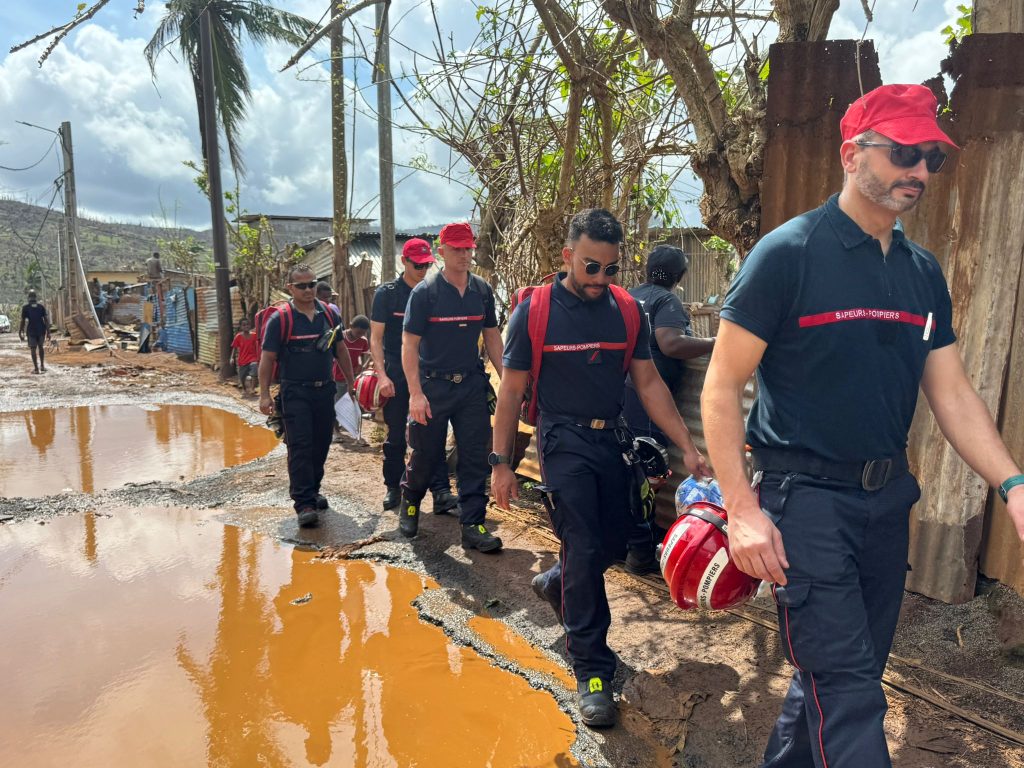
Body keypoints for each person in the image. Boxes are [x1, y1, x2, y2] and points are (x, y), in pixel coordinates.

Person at [701, 84, 1024, 768]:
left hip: (886, 505)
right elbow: (723, 387)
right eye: (904, 152)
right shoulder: (786, 255)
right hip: (804, 505)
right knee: (849, 699)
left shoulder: (920, 273)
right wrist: (742, 509)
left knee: (838, 681)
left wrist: (1013, 485)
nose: (919, 170)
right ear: (852, 155)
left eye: (930, 156)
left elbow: (954, 393)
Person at [491, 208, 710, 728]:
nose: (601, 280)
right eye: (591, 267)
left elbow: (650, 383)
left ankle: (558, 581)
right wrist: (502, 464)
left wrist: (687, 446)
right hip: (562, 440)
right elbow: (512, 391)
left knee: (619, 541)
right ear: (567, 256)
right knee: (586, 548)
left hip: (612, 437)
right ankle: (592, 672)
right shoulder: (536, 312)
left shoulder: (629, 310)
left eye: (611, 269)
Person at [401, 223, 504, 551]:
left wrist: (509, 382)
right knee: (426, 454)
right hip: (433, 387)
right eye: (456, 248)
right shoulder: (425, 293)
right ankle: (411, 502)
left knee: (474, 456)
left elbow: (492, 337)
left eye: (468, 248)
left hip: (471, 385)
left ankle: (473, 525)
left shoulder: (481, 291)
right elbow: (408, 345)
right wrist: (415, 393)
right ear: (441, 251)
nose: (463, 254)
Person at [620, 244, 716, 575]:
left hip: (623, 395)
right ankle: (640, 553)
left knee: (626, 469)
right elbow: (670, 343)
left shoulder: (628, 295)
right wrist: (717, 343)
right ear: (679, 276)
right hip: (649, 400)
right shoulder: (666, 300)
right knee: (648, 474)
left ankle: (620, 544)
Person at [258, 264, 355, 528]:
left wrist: (350, 380)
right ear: (290, 288)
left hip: (325, 390)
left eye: (312, 284)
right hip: (294, 392)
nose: (308, 290)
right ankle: (304, 503)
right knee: (300, 445)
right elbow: (267, 359)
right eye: (301, 286)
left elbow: (341, 349)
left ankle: (313, 489)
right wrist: (264, 395)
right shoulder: (281, 319)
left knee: (321, 443)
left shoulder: (328, 314)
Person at [369, 238, 459, 514]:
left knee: (433, 432)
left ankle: (441, 491)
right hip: (397, 371)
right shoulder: (388, 294)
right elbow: (375, 339)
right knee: (396, 433)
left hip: (428, 373)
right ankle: (393, 486)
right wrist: (382, 376)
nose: (423, 269)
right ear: (404, 262)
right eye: (417, 264)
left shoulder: (432, 292)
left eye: (427, 264)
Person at [330, 315, 370, 444]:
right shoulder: (340, 338)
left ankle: (354, 431)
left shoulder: (363, 341)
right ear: (351, 326)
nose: (360, 335)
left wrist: (361, 365)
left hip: (354, 378)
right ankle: (335, 432)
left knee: (353, 404)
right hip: (338, 377)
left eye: (363, 333)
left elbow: (364, 355)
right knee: (337, 404)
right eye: (358, 332)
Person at [20, 290, 51, 374]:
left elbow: (23, 321)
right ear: (35, 298)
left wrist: (20, 331)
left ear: (28, 298)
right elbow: (46, 320)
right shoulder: (41, 307)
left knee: (33, 348)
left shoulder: (26, 308)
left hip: (31, 331)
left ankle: (36, 369)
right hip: (41, 330)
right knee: (41, 347)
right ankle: (42, 366)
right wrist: (48, 332)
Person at [230, 317, 259, 395]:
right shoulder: (238, 337)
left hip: (253, 358)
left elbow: (259, 345)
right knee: (242, 377)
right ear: (241, 327)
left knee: (254, 370)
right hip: (242, 360)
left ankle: (252, 389)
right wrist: (232, 358)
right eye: (244, 325)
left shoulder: (254, 335)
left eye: (248, 324)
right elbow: (234, 348)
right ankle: (244, 389)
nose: (246, 326)